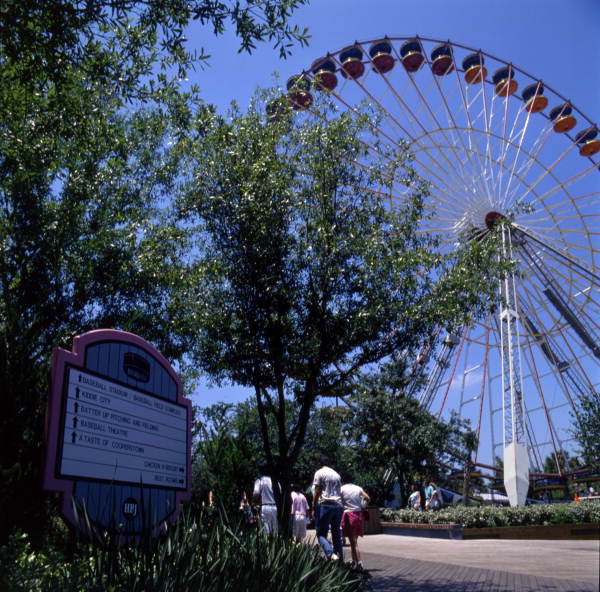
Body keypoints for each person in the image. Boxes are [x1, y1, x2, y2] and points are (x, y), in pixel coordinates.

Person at [313, 455, 344, 561]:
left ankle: (330, 554)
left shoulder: (319, 472)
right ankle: (340, 558)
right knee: (336, 533)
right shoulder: (336, 474)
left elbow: (317, 491)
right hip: (338, 505)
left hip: (326, 505)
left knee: (321, 533)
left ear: (319, 463)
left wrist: (314, 506)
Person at [341, 482, 370, 570]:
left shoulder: (342, 489)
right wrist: (363, 506)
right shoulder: (358, 488)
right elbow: (368, 498)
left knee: (353, 543)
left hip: (348, 514)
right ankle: (354, 561)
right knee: (354, 541)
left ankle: (359, 563)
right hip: (358, 515)